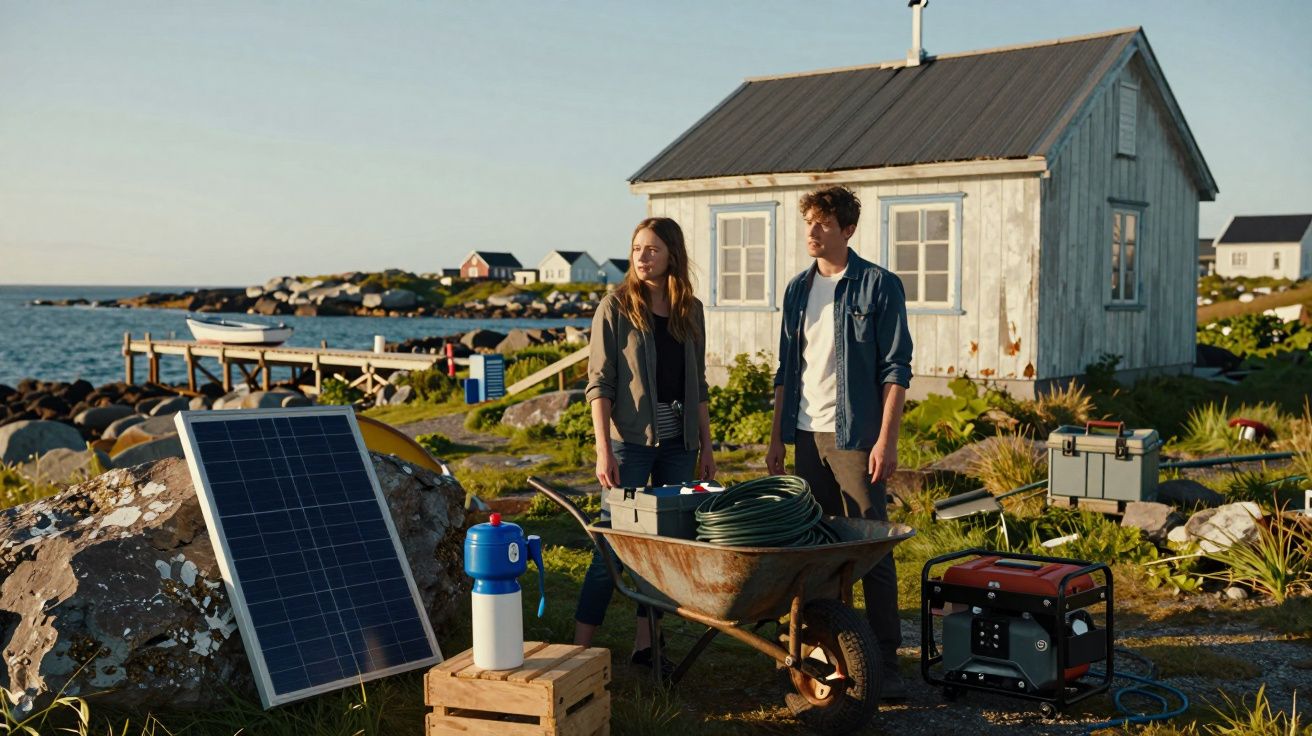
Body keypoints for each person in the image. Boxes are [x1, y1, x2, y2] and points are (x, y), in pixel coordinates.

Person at [765, 185, 913, 700]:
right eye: (808, 221)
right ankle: (831, 655)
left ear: (847, 229)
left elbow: (896, 370)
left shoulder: (878, 285)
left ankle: (886, 659)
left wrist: (885, 440)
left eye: (823, 223)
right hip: (805, 435)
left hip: (855, 436)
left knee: (872, 546)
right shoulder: (796, 291)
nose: (812, 231)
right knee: (819, 546)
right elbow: (787, 369)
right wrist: (777, 437)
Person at [574, 216, 715, 671]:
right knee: (611, 547)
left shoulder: (689, 310)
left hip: (679, 447)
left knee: (662, 550)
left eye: (651, 249)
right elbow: (600, 384)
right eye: (636, 248)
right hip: (629, 446)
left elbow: (700, 385)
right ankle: (580, 651)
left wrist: (706, 448)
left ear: (672, 254)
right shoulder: (614, 308)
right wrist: (602, 449)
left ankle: (645, 646)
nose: (641, 257)